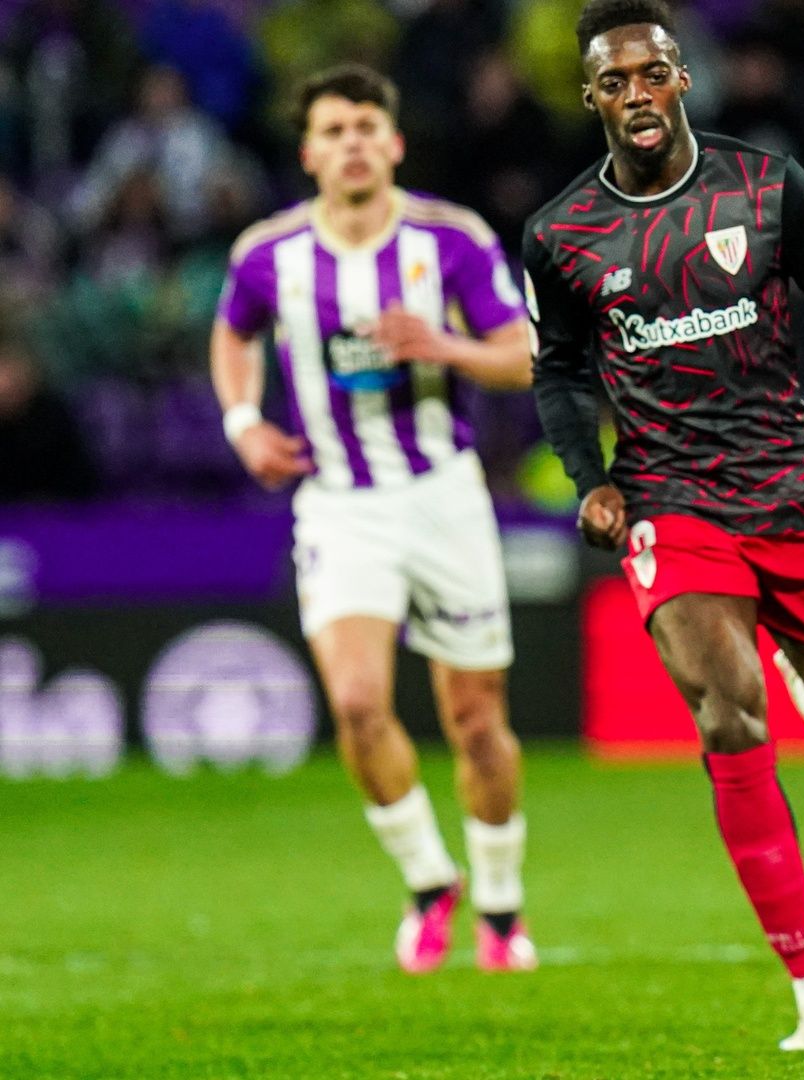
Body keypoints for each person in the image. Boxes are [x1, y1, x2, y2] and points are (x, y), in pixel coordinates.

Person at [525, 0, 804, 1051]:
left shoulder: (767, 186)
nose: (635, 95)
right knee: (727, 718)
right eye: (613, 81)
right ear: (593, 97)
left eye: (651, 74)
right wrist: (590, 479)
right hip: (673, 503)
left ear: (682, 79)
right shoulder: (560, 236)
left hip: (799, 498)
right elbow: (556, 369)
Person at [209, 64, 537, 974]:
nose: (352, 141)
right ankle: (432, 884)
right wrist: (243, 421)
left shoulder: (451, 239)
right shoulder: (268, 254)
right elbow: (231, 332)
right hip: (340, 504)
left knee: (475, 720)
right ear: (310, 152)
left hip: (443, 497)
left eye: (365, 126)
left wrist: (447, 346)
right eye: (333, 129)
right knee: (356, 704)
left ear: (392, 144)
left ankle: (501, 906)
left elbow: (522, 356)